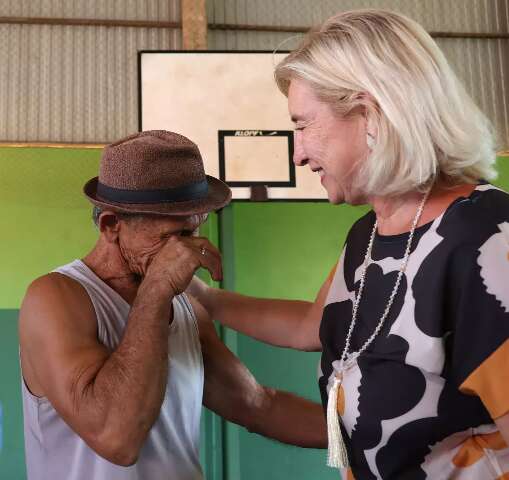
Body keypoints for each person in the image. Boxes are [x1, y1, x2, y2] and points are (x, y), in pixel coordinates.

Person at [188, 9, 509, 480]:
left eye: (303, 125)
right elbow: (311, 326)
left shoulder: (484, 238)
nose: (297, 153)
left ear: (370, 112)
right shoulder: (371, 232)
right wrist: (203, 297)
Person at [18, 130, 327, 480]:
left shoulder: (187, 307)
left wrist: (369, 433)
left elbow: (257, 405)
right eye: (172, 237)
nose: (188, 251)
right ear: (110, 225)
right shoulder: (56, 297)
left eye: (193, 232)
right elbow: (117, 439)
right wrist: (156, 290)